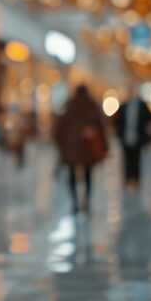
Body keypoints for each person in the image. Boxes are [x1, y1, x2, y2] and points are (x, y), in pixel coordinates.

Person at [54, 85, 107, 214]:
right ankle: (86, 202)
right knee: (88, 175)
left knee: (72, 175)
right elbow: (101, 127)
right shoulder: (92, 106)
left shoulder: (69, 106)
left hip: (72, 148)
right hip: (87, 148)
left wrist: (63, 146)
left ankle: (75, 203)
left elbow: (59, 128)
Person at [115, 88, 151, 190]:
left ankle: (135, 179)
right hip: (126, 137)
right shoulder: (124, 106)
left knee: (136, 159)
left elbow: (150, 119)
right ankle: (128, 178)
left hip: (138, 137)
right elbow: (117, 120)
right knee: (127, 159)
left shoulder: (142, 106)